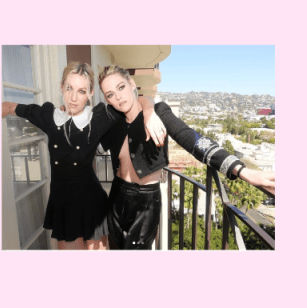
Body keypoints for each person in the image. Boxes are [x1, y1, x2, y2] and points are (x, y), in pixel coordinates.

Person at [98, 65, 276, 250]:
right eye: (110, 94)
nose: (118, 97)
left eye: (121, 87)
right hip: (117, 194)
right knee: (116, 246)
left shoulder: (159, 112)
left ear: (132, 83)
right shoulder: (113, 121)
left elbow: (193, 140)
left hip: (145, 201)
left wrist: (241, 170)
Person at [1, 62, 167, 250]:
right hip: (63, 205)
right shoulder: (48, 116)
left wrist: (148, 111)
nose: (73, 98)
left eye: (81, 91)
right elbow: (9, 106)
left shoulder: (99, 117)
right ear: (62, 87)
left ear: (90, 93)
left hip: (93, 204)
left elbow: (134, 99)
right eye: (69, 88)